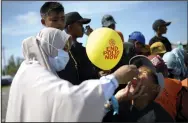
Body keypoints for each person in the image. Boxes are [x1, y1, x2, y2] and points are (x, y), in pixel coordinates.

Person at [6, 27, 140, 122]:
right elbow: (72, 102)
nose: (66, 54)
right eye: (64, 48)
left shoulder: (30, 69)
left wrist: (112, 101)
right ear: (50, 47)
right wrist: (115, 78)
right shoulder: (35, 74)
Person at [103, 55, 174, 122]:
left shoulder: (162, 118)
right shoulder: (119, 103)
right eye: (135, 71)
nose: (135, 75)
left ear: (155, 88)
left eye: (144, 72)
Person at [59, 11, 99, 85]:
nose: (82, 28)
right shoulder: (74, 49)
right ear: (69, 27)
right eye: (80, 24)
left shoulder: (66, 49)